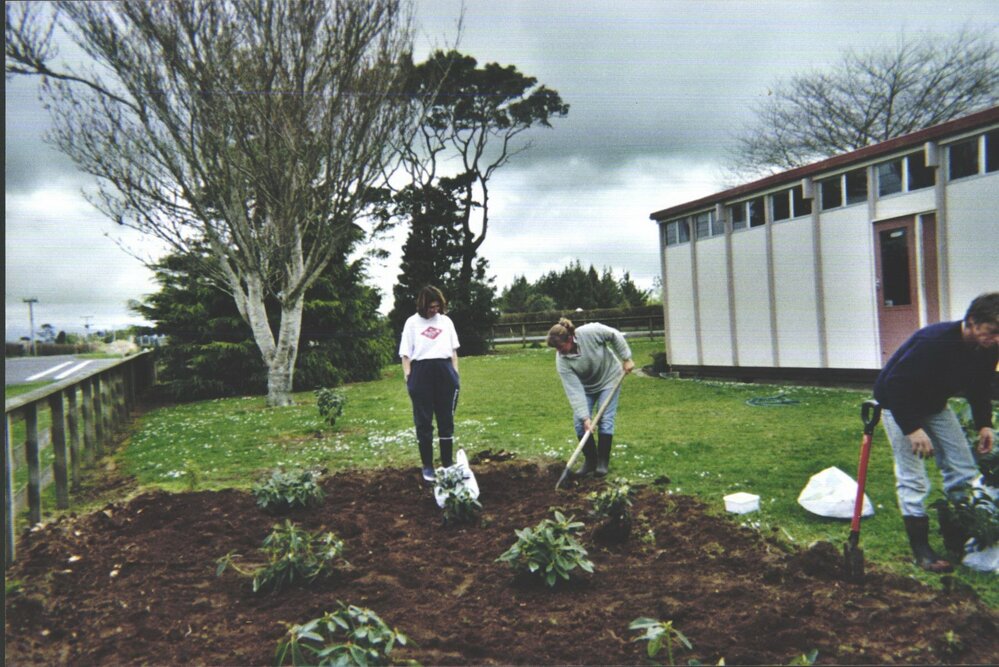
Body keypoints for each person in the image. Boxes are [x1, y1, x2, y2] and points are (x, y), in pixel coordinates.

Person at [873, 292, 999, 572]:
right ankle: (922, 551)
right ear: (972, 322)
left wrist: (984, 424)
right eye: (992, 332)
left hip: (934, 405)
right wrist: (913, 429)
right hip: (897, 403)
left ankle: (961, 536)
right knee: (913, 477)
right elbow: (895, 384)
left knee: (963, 468)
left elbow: (979, 387)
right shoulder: (935, 341)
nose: (997, 339)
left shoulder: (988, 348)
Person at [547, 318, 635, 477]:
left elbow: (614, 335)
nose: (559, 352)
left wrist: (626, 358)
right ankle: (590, 461)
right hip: (586, 387)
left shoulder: (590, 332)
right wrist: (585, 417)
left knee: (605, 418)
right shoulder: (562, 362)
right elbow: (574, 391)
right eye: (556, 349)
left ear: (570, 338)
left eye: (560, 347)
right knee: (579, 423)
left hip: (609, 378)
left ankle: (602, 462)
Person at [399, 286, 461, 482]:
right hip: (421, 373)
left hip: (444, 371)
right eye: (431, 307)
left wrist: (455, 373)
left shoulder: (446, 322)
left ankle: (447, 463)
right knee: (424, 422)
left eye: (437, 306)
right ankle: (427, 465)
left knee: (446, 420)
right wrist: (408, 375)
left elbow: (453, 351)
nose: (434, 310)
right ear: (423, 306)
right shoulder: (412, 323)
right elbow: (405, 353)